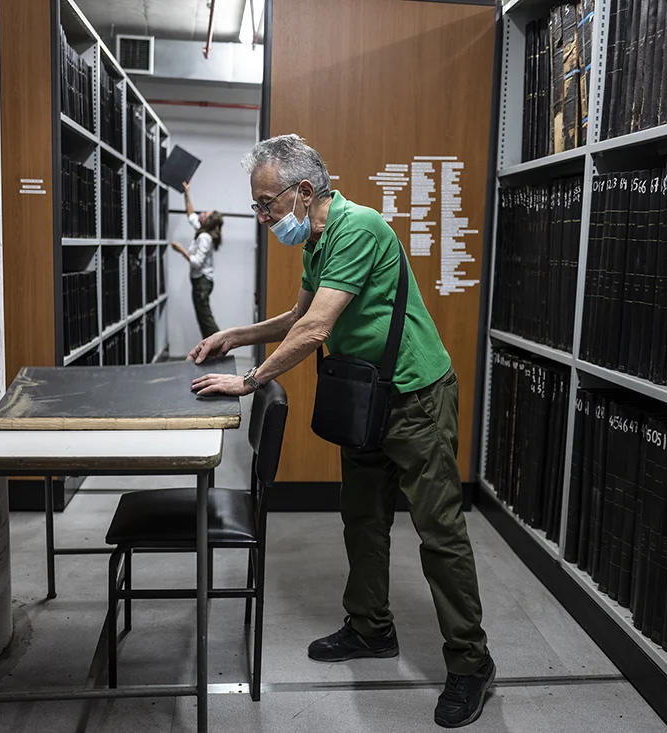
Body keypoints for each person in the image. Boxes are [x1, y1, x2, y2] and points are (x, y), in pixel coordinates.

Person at [188, 134, 494, 728]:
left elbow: (315, 329)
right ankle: (371, 628)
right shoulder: (318, 239)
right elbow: (297, 315)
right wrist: (237, 335)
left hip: (416, 397)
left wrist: (248, 381)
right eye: (257, 206)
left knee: (440, 533)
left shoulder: (359, 228)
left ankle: (471, 661)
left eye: (266, 204)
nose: (262, 216)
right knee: (362, 519)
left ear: (304, 191)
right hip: (367, 397)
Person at [170, 181, 224, 340]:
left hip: (202, 283)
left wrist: (181, 250)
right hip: (201, 282)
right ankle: (213, 347)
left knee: (206, 320)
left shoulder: (205, 237)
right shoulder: (203, 231)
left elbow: (196, 262)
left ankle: (220, 343)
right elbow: (191, 215)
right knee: (203, 319)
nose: (202, 214)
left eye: (206, 215)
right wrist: (187, 193)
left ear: (208, 222)